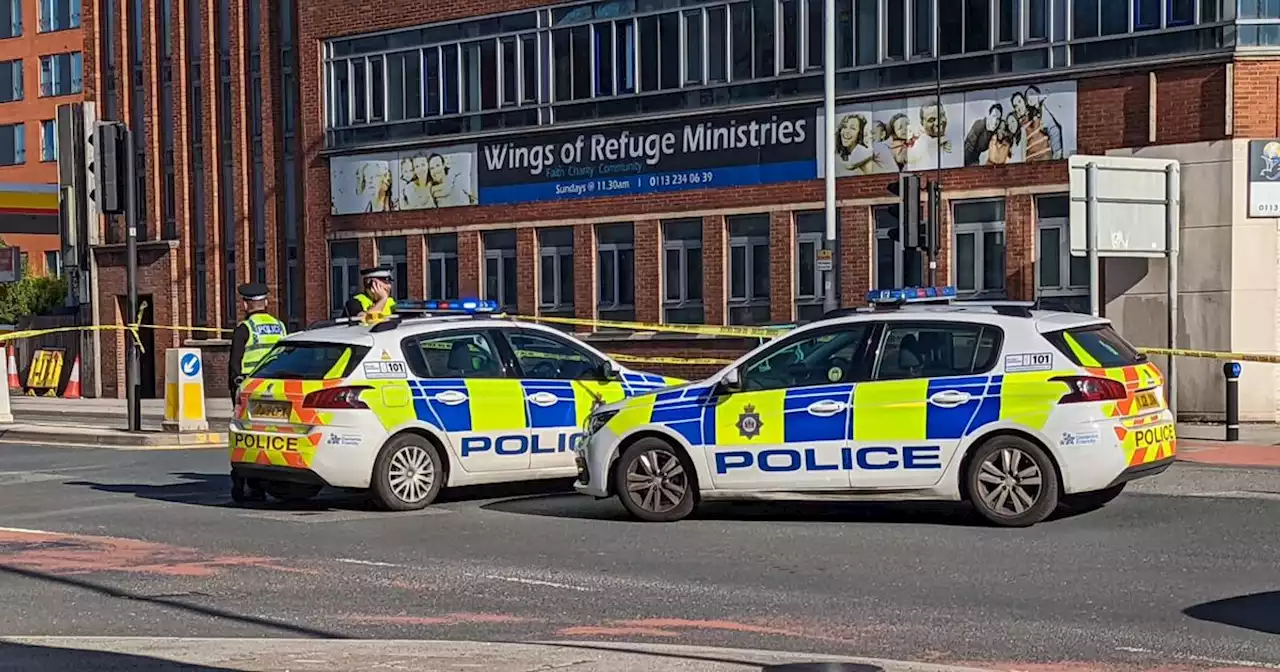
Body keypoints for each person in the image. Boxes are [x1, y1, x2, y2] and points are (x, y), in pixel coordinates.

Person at [228, 282, 286, 504]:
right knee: (273, 438)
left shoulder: (245, 329)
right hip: (279, 390)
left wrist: (234, 394)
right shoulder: (280, 326)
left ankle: (245, 484)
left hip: (251, 392)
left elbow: (234, 366)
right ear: (266, 302)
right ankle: (266, 481)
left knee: (247, 439)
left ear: (244, 304)